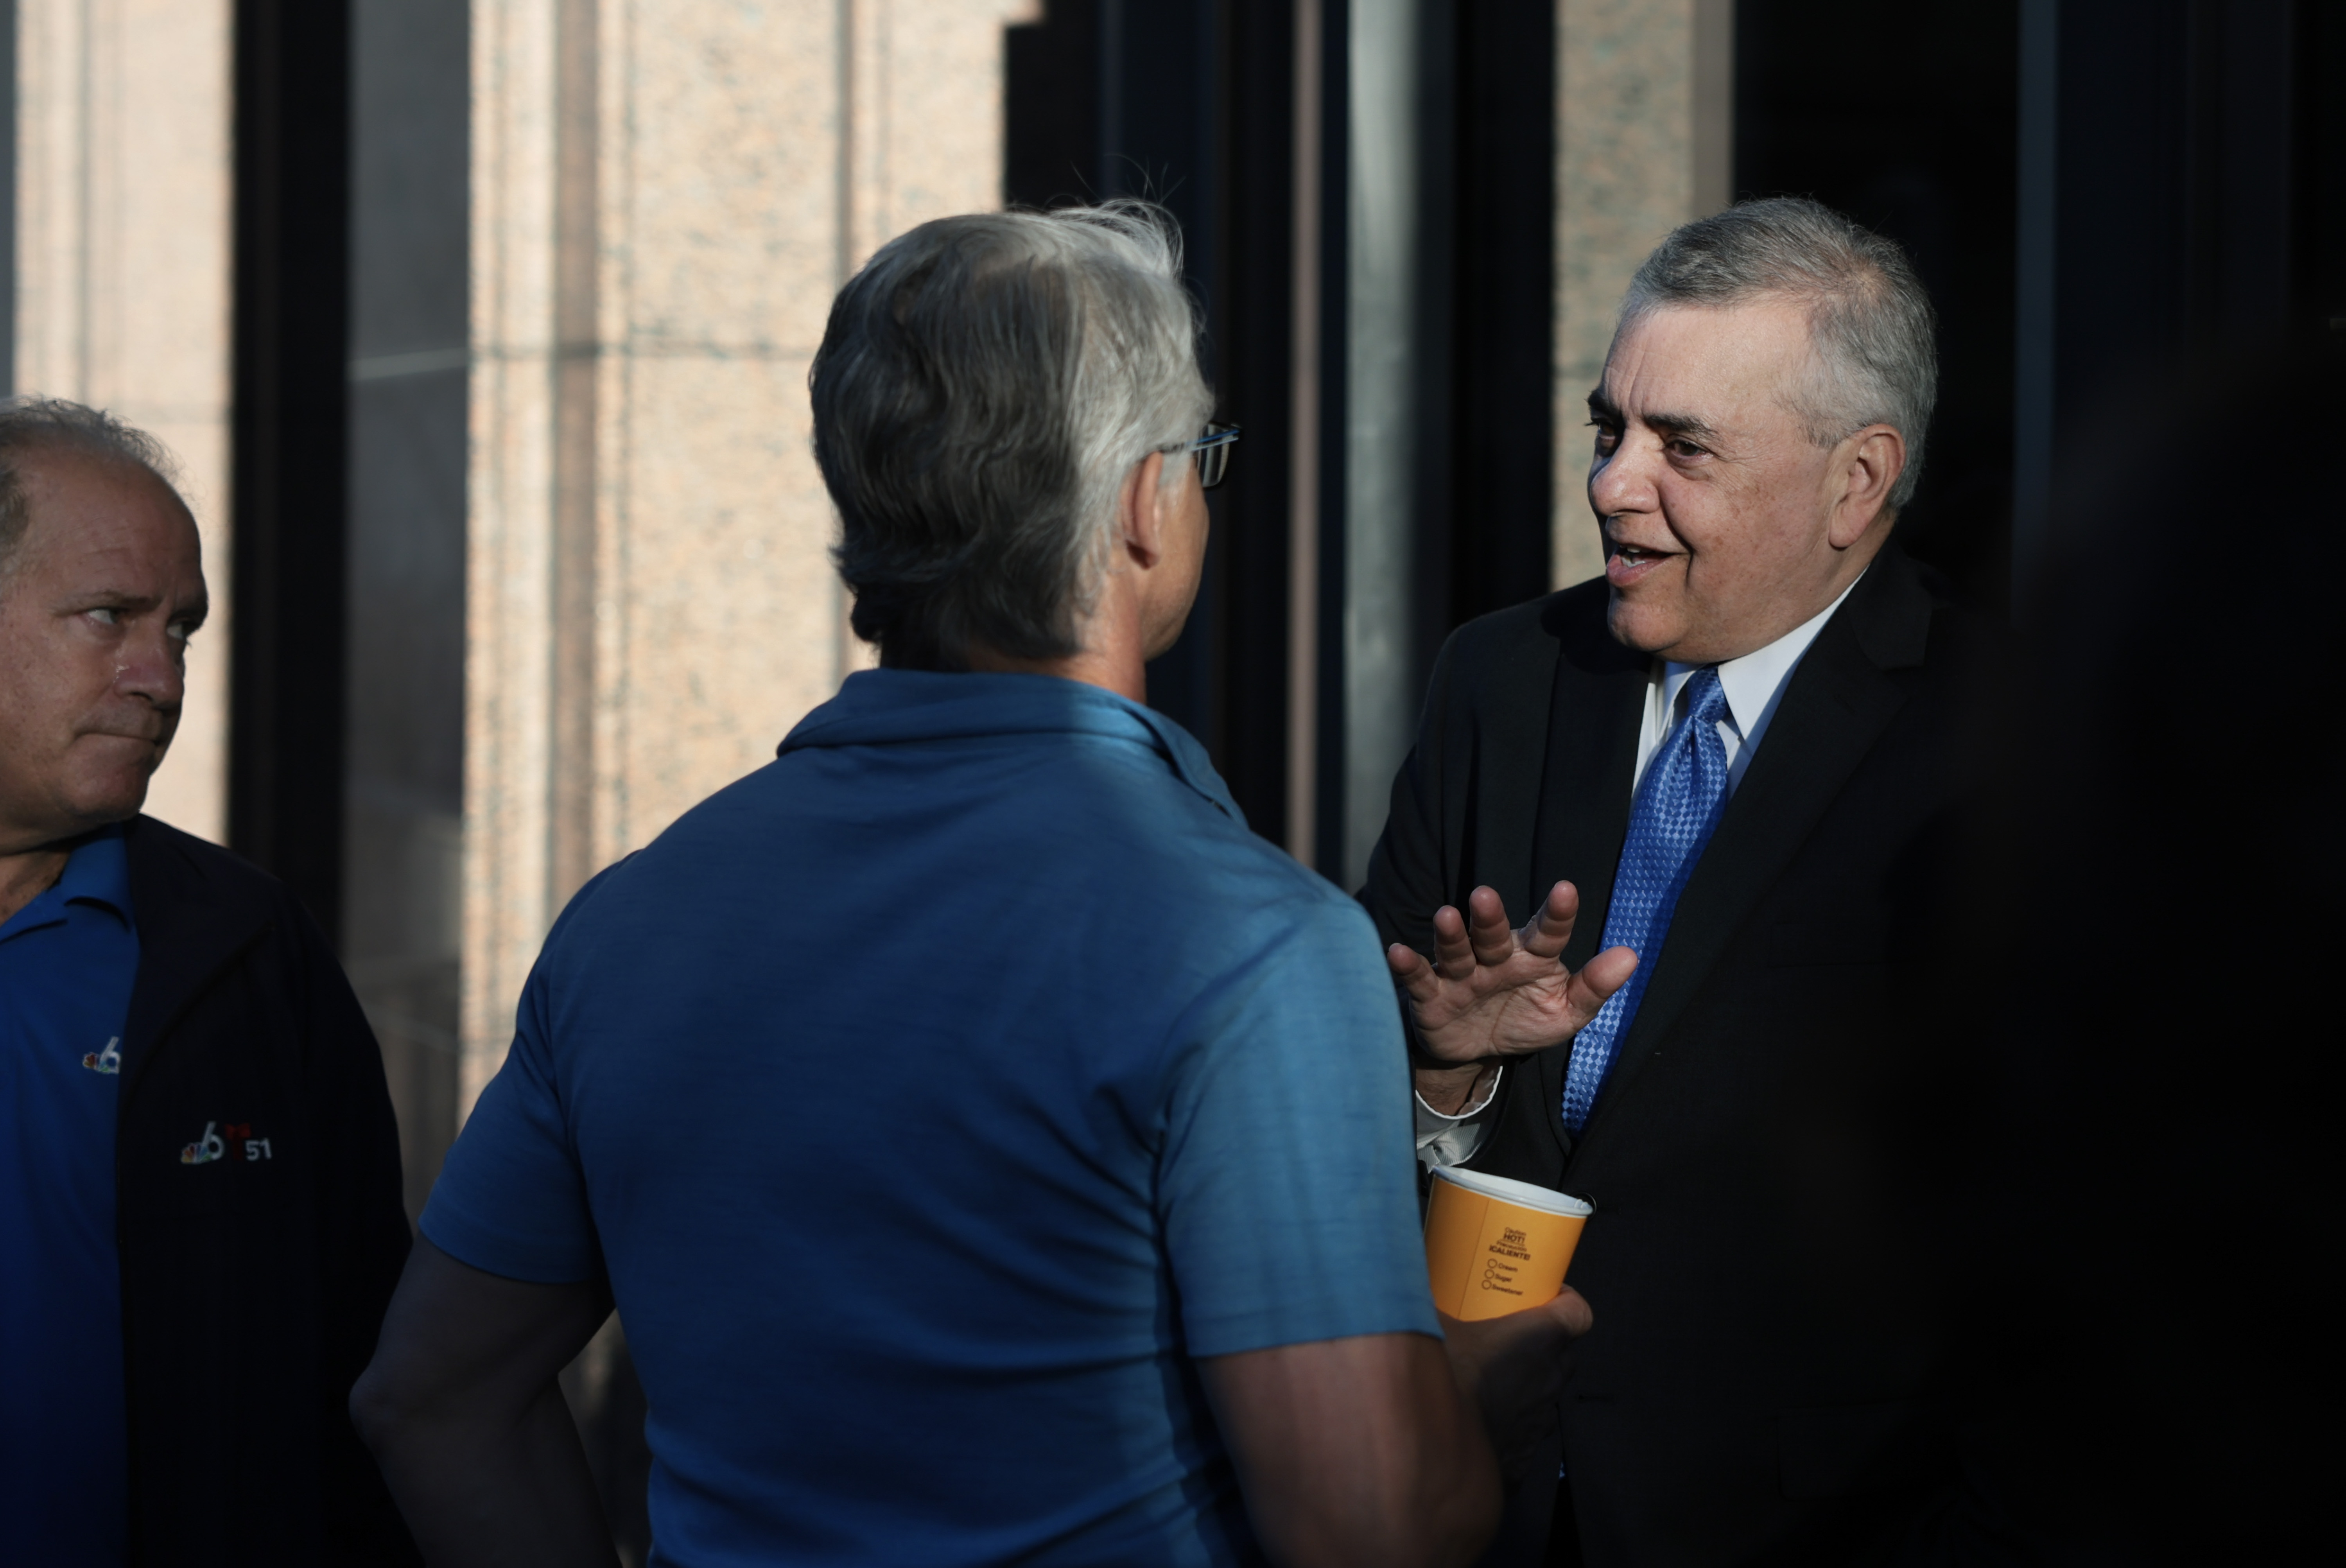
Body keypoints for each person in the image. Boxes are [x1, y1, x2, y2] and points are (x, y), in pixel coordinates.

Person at [352, 202, 1589, 1568]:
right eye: (1203, 459)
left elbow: (433, 1398)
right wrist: (1473, 1394)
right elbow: (1365, 1525)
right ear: (1142, 503)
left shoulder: (631, 920)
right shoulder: (1252, 945)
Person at [1367, 199, 2007, 1563]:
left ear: (1857, 482)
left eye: (1683, 447)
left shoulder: (2002, 733)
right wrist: (1446, 1075)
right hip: (1485, 1509)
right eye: (1609, 429)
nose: (1613, 483)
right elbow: (1340, 1135)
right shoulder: (1501, 682)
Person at [0, 398, 416, 1561]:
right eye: (109, 617)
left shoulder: (244, 949)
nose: (161, 679)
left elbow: (371, 1367)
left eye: (180, 631)